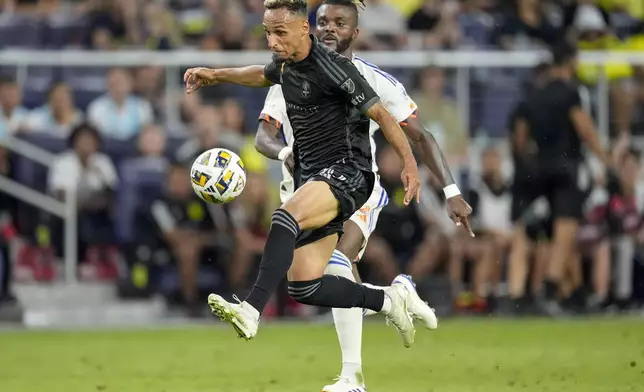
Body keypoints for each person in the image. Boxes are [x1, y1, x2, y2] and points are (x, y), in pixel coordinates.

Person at [185, 0, 432, 350]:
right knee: (305, 286)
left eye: (279, 33)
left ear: (304, 29)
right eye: (268, 33)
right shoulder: (287, 63)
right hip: (314, 177)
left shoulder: (334, 68)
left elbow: (384, 116)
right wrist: (215, 74)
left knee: (285, 217)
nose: (272, 41)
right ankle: (391, 301)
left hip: (349, 172)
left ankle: (252, 309)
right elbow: (261, 73)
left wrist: (409, 165)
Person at [255, 2, 472, 390]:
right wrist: (284, 152)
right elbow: (264, 136)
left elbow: (420, 135)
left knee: (338, 259)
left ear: (356, 32)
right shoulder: (288, 71)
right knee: (312, 282)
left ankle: (352, 377)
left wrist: (452, 191)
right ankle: (395, 296)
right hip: (302, 192)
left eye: (340, 23)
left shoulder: (375, 80)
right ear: (308, 27)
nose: (329, 29)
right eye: (322, 22)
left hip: (354, 187)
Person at [511, 42, 610, 316]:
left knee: (552, 232)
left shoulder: (534, 94)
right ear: (571, 62)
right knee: (566, 228)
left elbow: (520, 139)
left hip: (539, 169)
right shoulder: (570, 93)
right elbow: (585, 128)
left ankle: (575, 291)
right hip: (567, 167)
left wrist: (531, 162)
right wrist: (605, 159)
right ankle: (551, 288)